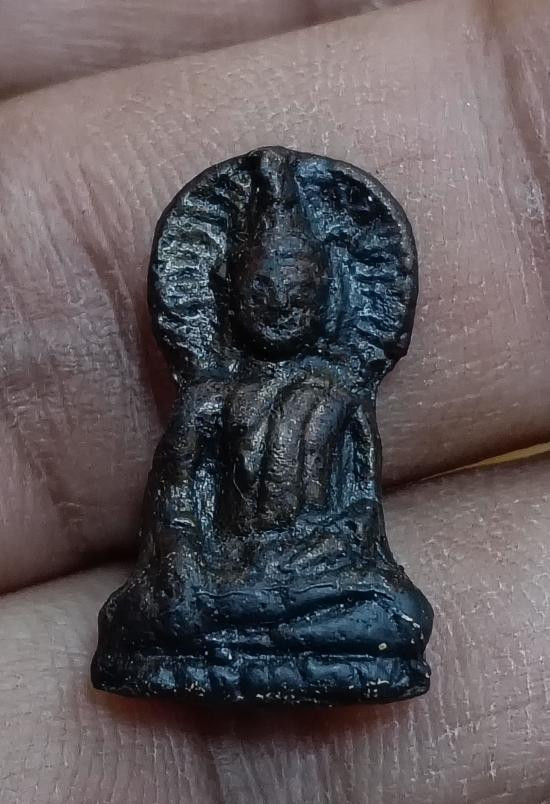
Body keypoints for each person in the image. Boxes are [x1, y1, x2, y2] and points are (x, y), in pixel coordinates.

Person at [0, 0, 549, 800]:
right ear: (226, 294)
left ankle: (258, 630)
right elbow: (177, 505)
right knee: (146, 613)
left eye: (298, 292)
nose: (281, 308)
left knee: (393, 614)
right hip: (220, 577)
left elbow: (358, 520)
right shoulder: (209, 399)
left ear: (330, 294)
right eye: (263, 292)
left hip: (320, 575)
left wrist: (315, 562)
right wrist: (187, 565)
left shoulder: (341, 398)